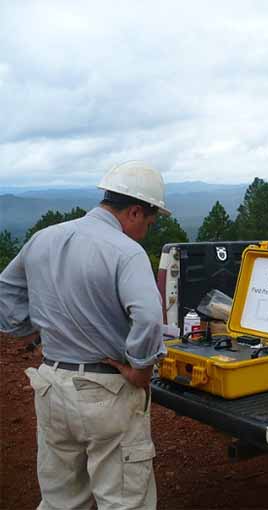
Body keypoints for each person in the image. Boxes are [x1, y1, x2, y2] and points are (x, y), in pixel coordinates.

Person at [0, 161, 171, 510]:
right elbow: (150, 316)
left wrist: (32, 331)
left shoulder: (43, 238)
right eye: (148, 223)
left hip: (51, 385)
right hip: (106, 391)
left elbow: (5, 290)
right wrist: (141, 366)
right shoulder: (126, 251)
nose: (146, 231)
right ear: (135, 211)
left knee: (61, 500)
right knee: (123, 501)